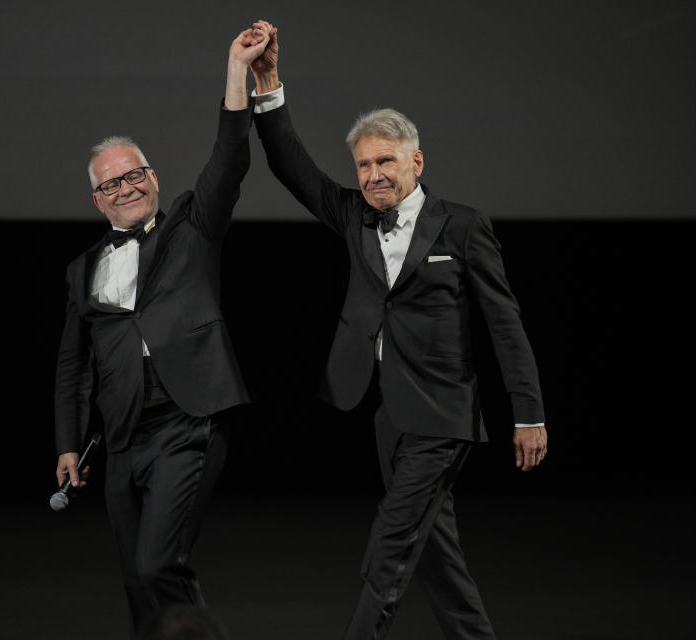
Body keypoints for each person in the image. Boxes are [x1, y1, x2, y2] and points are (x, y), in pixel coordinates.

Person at [243, 21, 548, 640]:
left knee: (391, 541)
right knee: (435, 551)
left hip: (443, 413)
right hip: (388, 412)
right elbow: (289, 164)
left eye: (385, 160)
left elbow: (505, 322)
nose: (374, 174)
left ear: (417, 160)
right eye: (363, 164)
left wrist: (529, 413)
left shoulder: (461, 226)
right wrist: (268, 82)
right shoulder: (353, 216)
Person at [53, 25, 272, 639]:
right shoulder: (82, 269)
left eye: (135, 175)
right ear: (98, 200)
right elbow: (73, 365)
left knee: (158, 564)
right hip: (121, 435)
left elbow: (229, 158)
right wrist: (69, 443)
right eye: (111, 184)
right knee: (135, 579)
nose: (126, 187)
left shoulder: (190, 226)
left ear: (152, 176)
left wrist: (236, 72)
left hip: (187, 421)